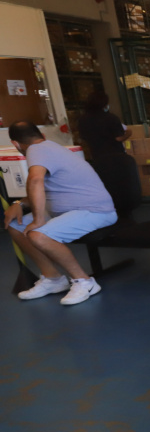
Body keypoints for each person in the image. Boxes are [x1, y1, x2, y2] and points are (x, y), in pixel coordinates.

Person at [3, 121, 117, 305]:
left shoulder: (35, 150)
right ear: (42, 135)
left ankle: (85, 282)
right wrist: (19, 203)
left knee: (38, 235)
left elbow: (35, 181)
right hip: (71, 211)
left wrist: (39, 220)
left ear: (15, 144)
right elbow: (44, 187)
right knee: (17, 226)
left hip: (95, 211)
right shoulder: (49, 147)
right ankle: (53, 279)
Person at [77, 90, 132, 160]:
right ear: (104, 103)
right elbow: (119, 138)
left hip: (97, 157)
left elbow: (83, 138)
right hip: (116, 156)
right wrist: (128, 133)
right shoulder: (111, 118)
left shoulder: (82, 120)